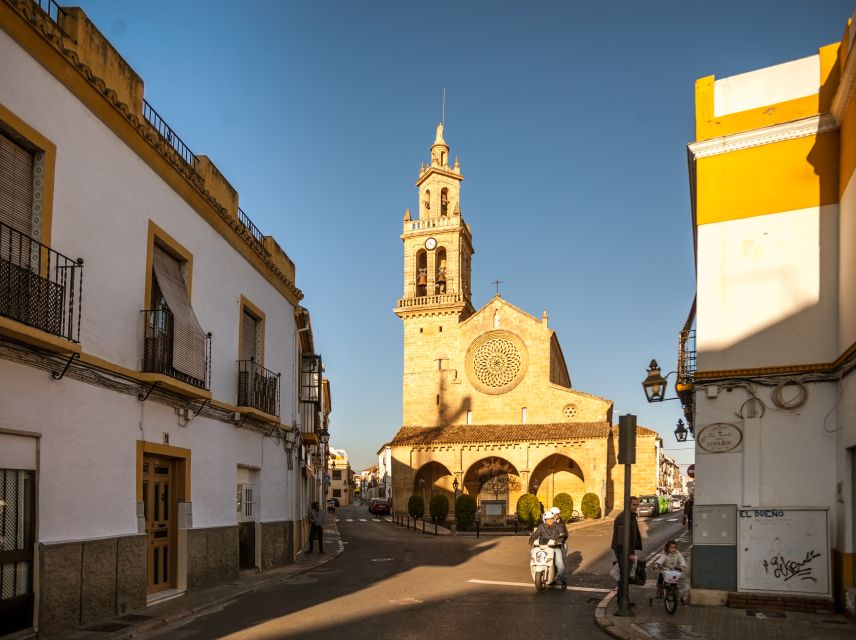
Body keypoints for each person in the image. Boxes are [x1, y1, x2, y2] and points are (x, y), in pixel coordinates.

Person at [610, 496, 642, 608]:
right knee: (624, 576)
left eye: (637, 505)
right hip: (623, 551)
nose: (636, 507)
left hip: (626, 551)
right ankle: (623, 602)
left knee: (625, 575)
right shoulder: (623, 518)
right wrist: (629, 554)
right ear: (627, 505)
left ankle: (622, 599)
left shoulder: (630, 516)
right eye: (634, 505)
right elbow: (623, 540)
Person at [529, 510, 568, 588]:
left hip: (555, 547)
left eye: (551, 518)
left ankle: (563, 580)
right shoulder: (541, 526)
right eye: (548, 519)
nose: (550, 520)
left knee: (560, 564)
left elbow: (562, 535)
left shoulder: (558, 526)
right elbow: (535, 534)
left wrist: (560, 540)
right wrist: (531, 539)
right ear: (544, 520)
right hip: (543, 547)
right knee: (533, 555)